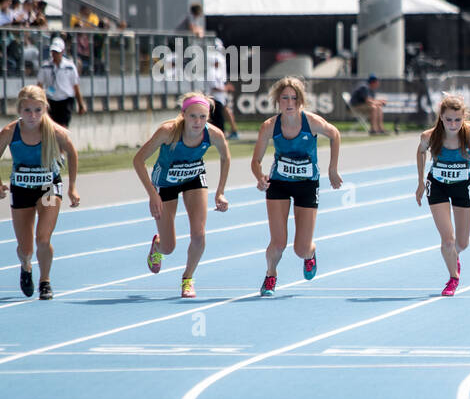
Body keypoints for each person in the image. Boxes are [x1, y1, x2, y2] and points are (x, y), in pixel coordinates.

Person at [132, 93, 231, 298]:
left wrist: (220, 192)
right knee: (169, 247)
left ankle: (188, 278)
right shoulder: (168, 132)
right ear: (183, 114)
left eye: (203, 117)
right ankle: (157, 244)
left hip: (194, 178)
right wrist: (152, 194)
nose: (198, 122)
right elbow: (138, 160)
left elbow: (225, 157)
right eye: (193, 116)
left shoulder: (213, 134)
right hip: (165, 183)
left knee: (199, 235)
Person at [251, 77, 343, 296]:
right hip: (279, 184)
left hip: (307, 185)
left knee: (300, 248)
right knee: (278, 242)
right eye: (285, 98)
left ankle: (310, 254)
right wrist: (260, 177)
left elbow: (335, 134)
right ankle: (271, 275)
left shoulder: (311, 122)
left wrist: (332, 169)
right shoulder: (270, 126)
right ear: (278, 101)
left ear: (301, 101)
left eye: (294, 98)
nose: (289, 102)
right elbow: (256, 161)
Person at [0, 85, 81, 299]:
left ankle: (45, 281)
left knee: (43, 239)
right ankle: (26, 266)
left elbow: (72, 154)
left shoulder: (54, 132)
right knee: (25, 249)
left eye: (37, 110)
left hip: (48, 188)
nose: (33, 116)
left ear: (45, 108)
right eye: (27, 110)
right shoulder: (10, 132)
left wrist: (72, 187)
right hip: (21, 189)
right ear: (19, 110)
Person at [414, 94, 470, 296]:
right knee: (448, 240)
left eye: (458, 119)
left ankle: (453, 255)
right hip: (438, 186)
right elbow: (421, 151)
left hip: (462, 187)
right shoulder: (429, 136)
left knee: (462, 243)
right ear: (441, 117)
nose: (453, 124)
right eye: (449, 119)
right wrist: (421, 182)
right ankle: (453, 277)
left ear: (464, 117)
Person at [36, 37, 86, 128]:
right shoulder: (45, 66)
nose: (55, 55)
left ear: (62, 52)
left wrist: (80, 104)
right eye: (53, 52)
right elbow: (39, 85)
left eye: (57, 52)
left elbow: (75, 86)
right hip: (51, 100)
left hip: (65, 100)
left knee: (63, 127)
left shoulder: (70, 67)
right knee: (51, 127)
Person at [206, 37, 240, 140]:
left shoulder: (216, 63)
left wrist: (224, 87)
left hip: (218, 95)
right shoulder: (212, 67)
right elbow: (214, 85)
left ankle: (231, 132)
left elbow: (217, 83)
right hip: (214, 95)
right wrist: (225, 87)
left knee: (220, 114)